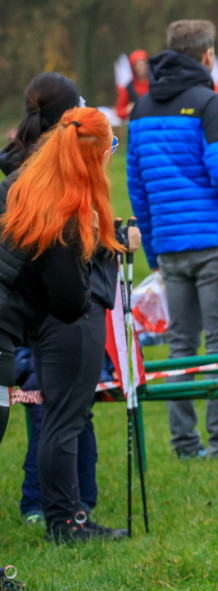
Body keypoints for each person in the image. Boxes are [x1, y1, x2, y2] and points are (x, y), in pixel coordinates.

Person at [0, 106, 130, 542]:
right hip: (6, 326)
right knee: (64, 417)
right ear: (95, 155)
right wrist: (92, 244)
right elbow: (71, 301)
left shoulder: (27, 182)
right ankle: (65, 522)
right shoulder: (67, 208)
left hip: (12, 323)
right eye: (111, 146)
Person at [127, 19, 218, 461]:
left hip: (170, 246)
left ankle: (184, 445)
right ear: (207, 55)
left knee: (181, 343)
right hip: (217, 243)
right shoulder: (210, 104)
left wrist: (156, 239)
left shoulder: (140, 109)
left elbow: (136, 185)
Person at [115, 49, 150, 121]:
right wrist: (127, 110)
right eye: (138, 65)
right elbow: (119, 111)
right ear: (133, 67)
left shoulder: (154, 83)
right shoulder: (128, 87)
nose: (141, 67)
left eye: (143, 63)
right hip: (137, 123)